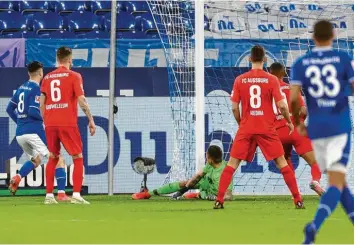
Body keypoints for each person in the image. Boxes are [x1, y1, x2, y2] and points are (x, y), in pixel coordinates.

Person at [214, 45, 303, 210]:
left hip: (246, 128)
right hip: (267, 128)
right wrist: (288, 121)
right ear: (265, 60)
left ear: (249, 59)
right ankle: (297, 199)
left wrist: (241, 123)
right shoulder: (271, 80)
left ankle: (219, 200)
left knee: (232, 164)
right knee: (282, 162)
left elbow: (234, 107)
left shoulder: (240, 80)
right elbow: (282, 105)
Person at [290, 20, 354, 244]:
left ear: (313, 37)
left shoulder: (301, 63)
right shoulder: (344, 60)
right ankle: (314, 226)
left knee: (338, 180)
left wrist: (298, 122)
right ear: (333, 36)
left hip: (316, 129)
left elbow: (294, 98)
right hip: (339, 126)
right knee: (336, 182)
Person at [6, 61, 69, 202]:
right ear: (41, 73)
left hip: (20, 134)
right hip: (34, 131)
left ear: (29, 73)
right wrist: (47, 119)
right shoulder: (36, 89)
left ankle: (17, 177)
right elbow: (33, 111)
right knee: (58, 158)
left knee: (36, 159)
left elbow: (9, 109)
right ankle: (61, 193)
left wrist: (20, 122)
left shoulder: (21, 88)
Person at [40, 47, 96, 204]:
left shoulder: (47, 78)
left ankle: (49, 196)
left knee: (52, 157)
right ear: (70, 60)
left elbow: (42, 103)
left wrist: (46, 120)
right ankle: (77, 195)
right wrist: (91, 119)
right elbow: (81, 100)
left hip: (50, 122)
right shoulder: (74, 76)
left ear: (57, 60)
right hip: (67, 122)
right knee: (77, 156)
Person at [269, 62, 324, 196]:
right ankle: (315, 181)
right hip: (296, 128)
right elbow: (303, 111)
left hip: (278, 132)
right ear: (283, 73)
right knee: (315, 161)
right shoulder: (292, 88)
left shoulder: (267, 91)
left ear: (270, 73)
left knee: (285, 161)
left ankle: (296, 193)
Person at [131, 141, 233, 201]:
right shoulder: (211, 164)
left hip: (214, 194)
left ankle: (199, 195)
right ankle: (147, 194)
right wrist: (182, 190)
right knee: (184, 183)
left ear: (210, 158)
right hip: (206, 184)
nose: (206, 157)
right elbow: (198, 176)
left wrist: (216, 198)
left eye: (207, 156)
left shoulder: (225, 173)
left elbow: (229, 196)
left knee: (205, 194)